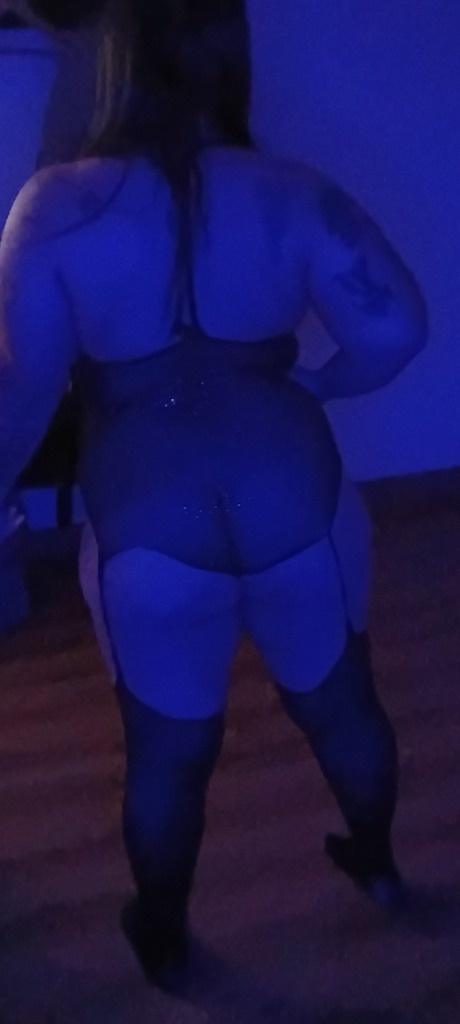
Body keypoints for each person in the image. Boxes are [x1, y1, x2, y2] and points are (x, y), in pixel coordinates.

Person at [0, 0, 428, 991]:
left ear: (114, 63)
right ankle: (377, 866)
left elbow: (20, 401)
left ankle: (162, 934)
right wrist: (320, 382)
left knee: (167, 749)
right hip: (296, 494)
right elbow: (397, 329)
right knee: (343, 703)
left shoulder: (55, 207)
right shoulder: (292, 189)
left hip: (149, 521)